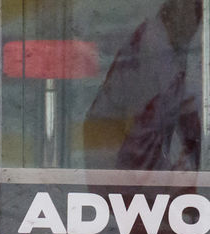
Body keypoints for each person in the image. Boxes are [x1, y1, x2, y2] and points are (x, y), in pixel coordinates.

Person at [84, 0, 203, 171]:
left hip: (129, 162)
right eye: (195, 17)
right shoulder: (150, 46)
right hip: (121, 163)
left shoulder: (170, 47)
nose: (195, 28)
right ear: (173, 12)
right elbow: (146, 124)